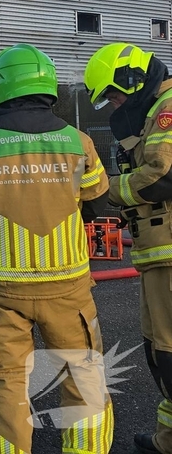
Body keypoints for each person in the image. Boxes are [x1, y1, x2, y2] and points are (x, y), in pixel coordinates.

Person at [0, 43, 112, 453]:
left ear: (4, 86)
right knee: (83, 376)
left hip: (0, 291)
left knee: (6, 383)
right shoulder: (79, 142)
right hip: (68, 288)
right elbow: (97, 205)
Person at [83, 42, 172, 454]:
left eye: (113, 94)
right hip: (158, 252)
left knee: (169, 352)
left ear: (132, 79)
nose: (114, 104)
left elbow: (162, 177)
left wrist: (105, 193)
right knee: (159, 350)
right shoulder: (153, 111)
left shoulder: (168, 108)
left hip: (169, 252)